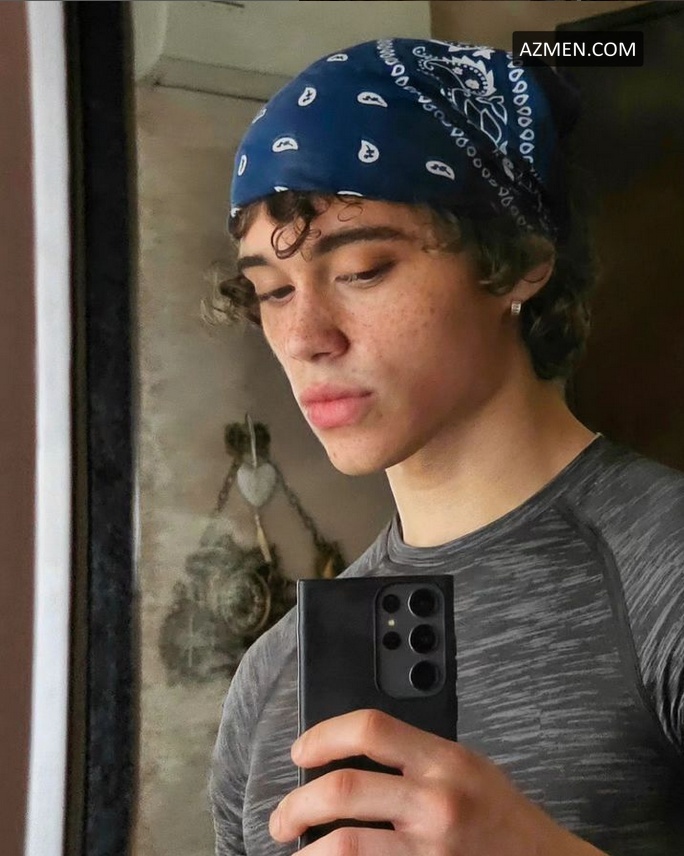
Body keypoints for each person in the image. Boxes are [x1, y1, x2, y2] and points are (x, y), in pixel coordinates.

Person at [209, 38, 684, 856]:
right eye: (273, 291)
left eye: (363, 269)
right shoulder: (274, 671)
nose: (304, 336)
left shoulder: (666, 569)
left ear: (521, 262)